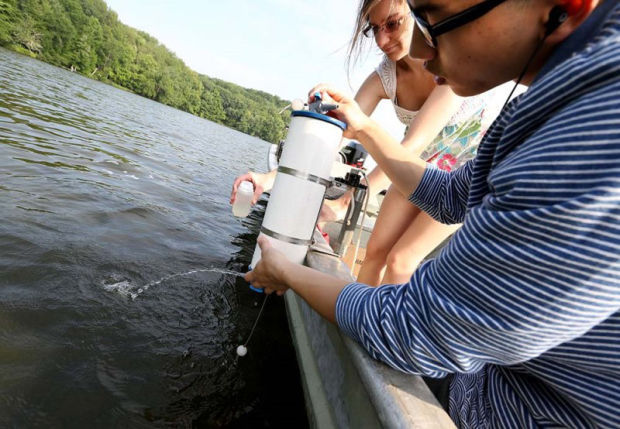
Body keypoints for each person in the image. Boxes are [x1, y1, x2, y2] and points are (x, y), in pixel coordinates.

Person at [247, 0, 620, 428]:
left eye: (432, 17)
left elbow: (411, 332)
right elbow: (450, 194)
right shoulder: (546, 102)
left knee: (400, 264)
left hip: (510, 412)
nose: (421, 50)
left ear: (564, 7)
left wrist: (287, 272)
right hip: (497, 379)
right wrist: (365, 128)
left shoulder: (597, 127)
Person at [231, 0, 497, 286]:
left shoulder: (449, 62)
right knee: (375, 254)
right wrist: (269, 178)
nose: (382, 40)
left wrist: (345, 202)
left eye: (392, 24)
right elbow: (337, 136)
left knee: (401, 259)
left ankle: (386, 326)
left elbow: (413, 145)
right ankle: (358, 323)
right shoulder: (385, 76)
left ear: (417, 11)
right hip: (413, 167)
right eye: (375, 29)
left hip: (464, 177)